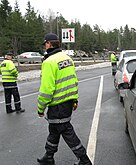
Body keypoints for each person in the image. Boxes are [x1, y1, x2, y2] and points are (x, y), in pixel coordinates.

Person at [37, 33, 92, 165]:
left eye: (45, 44)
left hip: (57, 105)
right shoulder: (67, 59)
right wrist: (74, 99)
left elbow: (47, 89)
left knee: (66, 132)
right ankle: (48, 156)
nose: (45, 47)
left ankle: (84, 160)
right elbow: (73, 81)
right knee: (54, 130)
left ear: (49, 44)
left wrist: (40, 108)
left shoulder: (49, 62)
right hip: (67, 103)